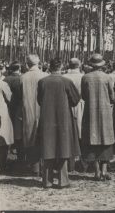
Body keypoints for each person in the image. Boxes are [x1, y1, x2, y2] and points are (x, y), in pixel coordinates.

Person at [37, 58, 81, 188]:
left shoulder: (42, 82)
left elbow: (39, 100)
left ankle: (47, 181)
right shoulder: (66, 81)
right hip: (63, 118)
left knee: (48, 147)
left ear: (50, 67)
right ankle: (63, 180)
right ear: (61, 67)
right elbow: (75, 100)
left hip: (47, 118)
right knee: (63, 147)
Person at [81, 54, 115, 181]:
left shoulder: (85, 77)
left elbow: (83, 96)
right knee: (106, 140)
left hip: (90, 111)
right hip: (105, 111)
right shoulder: (107, 77)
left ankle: (96, 172)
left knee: (92, 139)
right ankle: (104, 170)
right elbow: (112, 96)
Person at [20, 54, 48, 175]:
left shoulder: (23, 77)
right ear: (39, 63)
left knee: (31, 137)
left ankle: (35, 167)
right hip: (43, 110)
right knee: (43, 137)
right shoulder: (45, 75)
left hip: (28, 110)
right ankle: (43, 166)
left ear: (27, 63)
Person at [3, 61, 23, 165]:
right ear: (19, 69)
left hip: (7, 108)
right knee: (18, 132)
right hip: (18, 109)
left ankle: (5, 156)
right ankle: (19, 155)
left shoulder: (5, 79)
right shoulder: (20, 79)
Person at [0, 69, 14, 171]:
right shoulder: (2, 84)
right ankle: (2, 163)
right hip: (1, 112)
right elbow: (9, 98)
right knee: (3, 139)